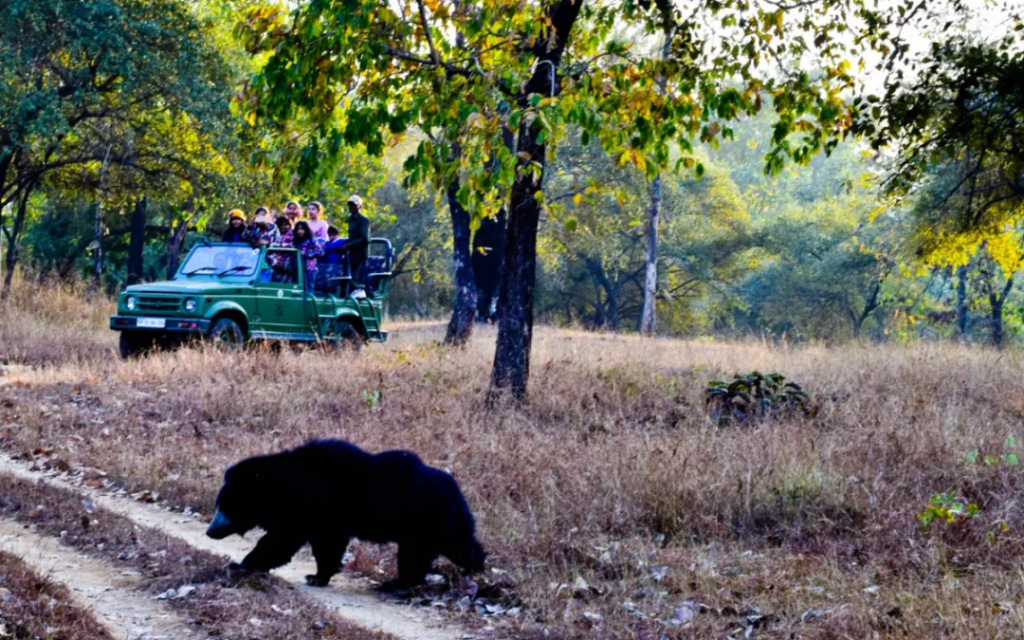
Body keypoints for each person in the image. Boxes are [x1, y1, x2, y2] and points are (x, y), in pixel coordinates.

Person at [337, 195, 370, 283]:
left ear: (359, 206)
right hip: (352, 253)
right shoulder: (350, 219)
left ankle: (358, 291)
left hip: (360, 254)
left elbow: (364, 238)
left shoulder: (363, 220)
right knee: (349, 274)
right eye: (350, 205)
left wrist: (348, 246)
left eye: (353, 205)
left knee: (356, 277)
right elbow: (352, 235)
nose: (351, 207)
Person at [285, 221, 324, 289]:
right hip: (297, 269)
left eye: (302, 229)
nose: (300, 231)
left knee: (308, 292)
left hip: (309, 270)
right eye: (298, 229)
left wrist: (306, 253)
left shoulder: (311, 240)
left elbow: (321, 252)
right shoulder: (295, 241)